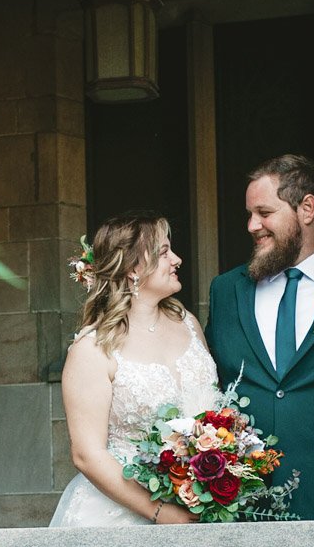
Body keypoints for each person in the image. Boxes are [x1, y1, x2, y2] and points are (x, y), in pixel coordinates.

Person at [206, 153, 314, 522]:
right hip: (244, 505)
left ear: (307, 208)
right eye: (249, 214)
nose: (251, 225)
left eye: (264, 212)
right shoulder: (226, 291)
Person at [50, 213, 219, 527]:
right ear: (132, 269)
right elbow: (87, 454)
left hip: (199, 507)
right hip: (117, 516)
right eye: (164, 252)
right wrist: (158, 511)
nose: (177, 259)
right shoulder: (93, 349)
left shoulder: (188, 323)